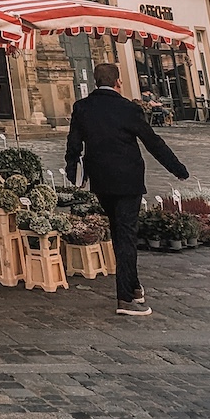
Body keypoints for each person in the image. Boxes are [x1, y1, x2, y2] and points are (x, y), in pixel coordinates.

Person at [65, 61, 189, 317]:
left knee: (120, 231)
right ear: (118, 82)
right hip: (128, 180)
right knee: (126, 237)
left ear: (97, 81)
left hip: (101, 181)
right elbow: (152, 142)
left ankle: (133, 287)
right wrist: (177, 168)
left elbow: (73, 144)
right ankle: (125, 299)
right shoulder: (128, 108)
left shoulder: (82, 107)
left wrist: (72, 173)